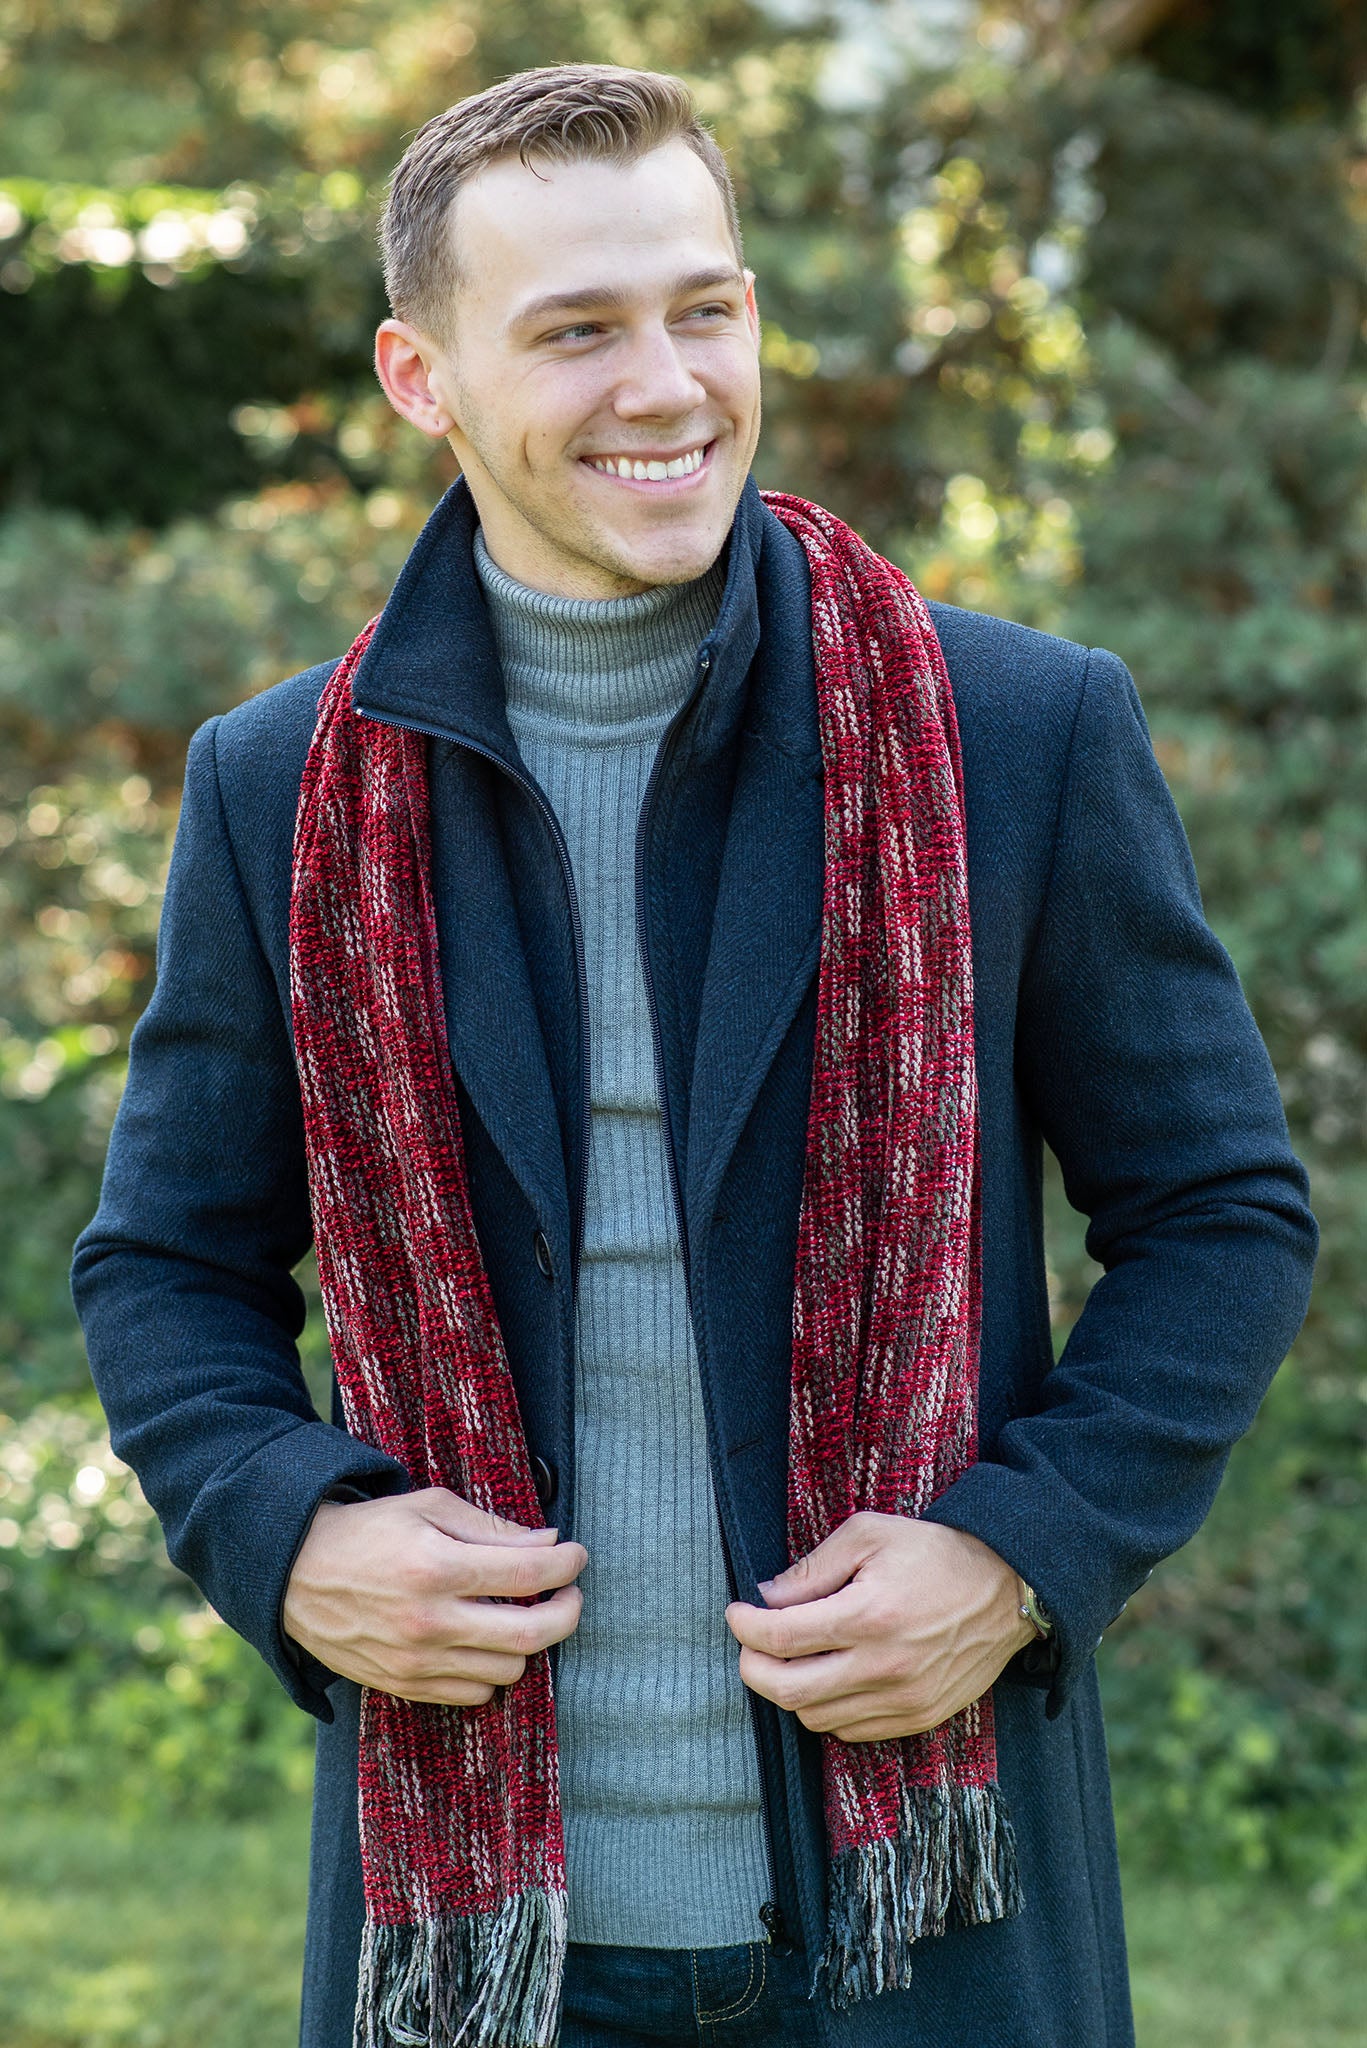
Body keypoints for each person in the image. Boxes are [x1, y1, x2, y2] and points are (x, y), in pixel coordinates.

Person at [72, 62, 1316, 2048]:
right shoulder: (278, 794)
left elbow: (1224, 1213)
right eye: (575, 331)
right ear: (424, 378)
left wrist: (1023, 1553)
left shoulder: (1016, 732)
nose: (667, 385)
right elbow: (165, 1267)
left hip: (925, 1937)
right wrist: (284, 1523)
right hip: (475, 1956)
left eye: (705, 307)